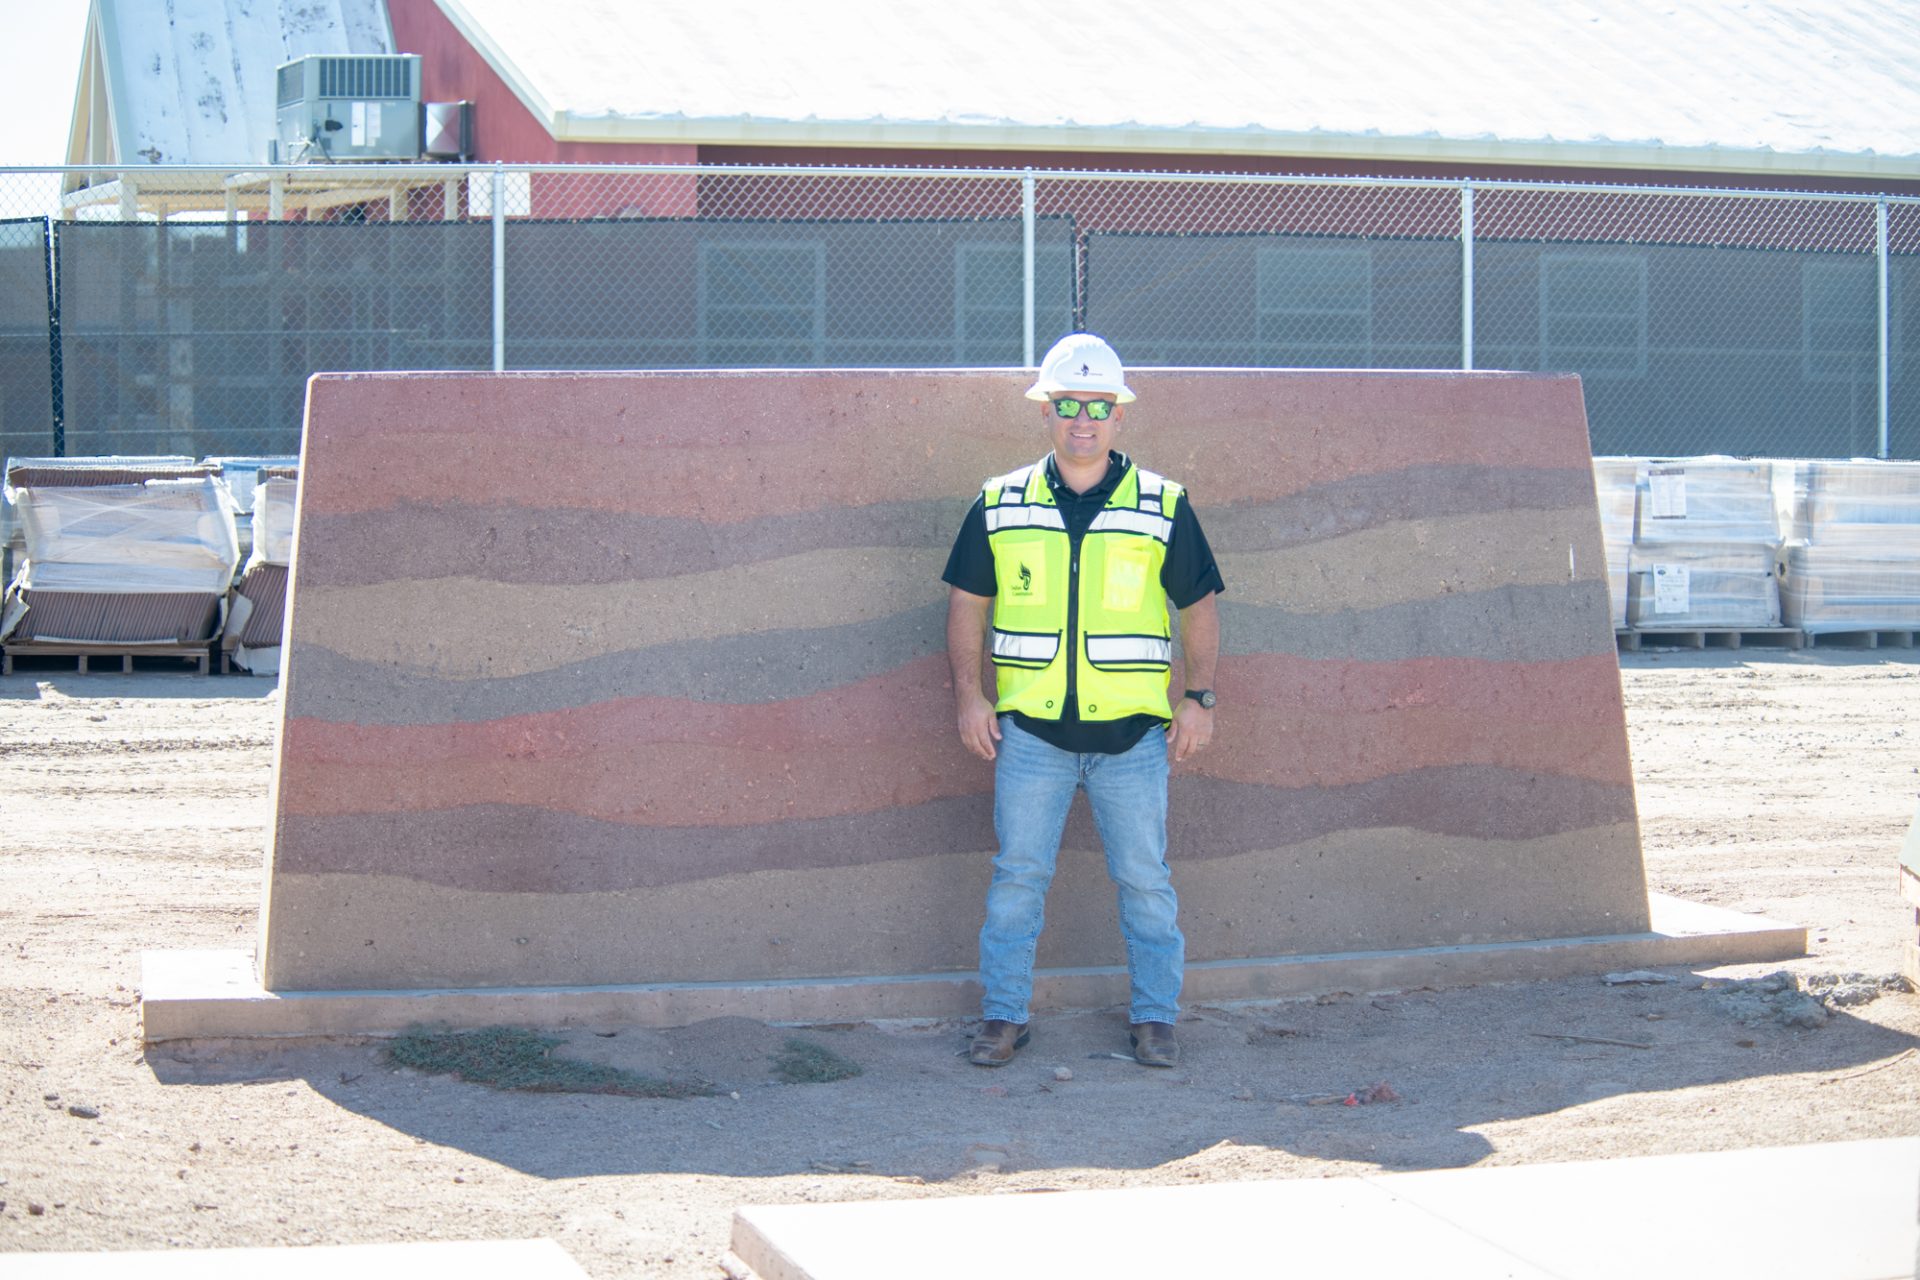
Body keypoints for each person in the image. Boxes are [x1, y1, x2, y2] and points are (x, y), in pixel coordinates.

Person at [942, 333, 1224, 1068]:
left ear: (1119, 416)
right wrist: (971, 699)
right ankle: (1004, 1016)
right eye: (1068, 404)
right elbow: (968, 603)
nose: (1083, 420)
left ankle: (1156, 1019)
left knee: (1145, 882)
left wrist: (1199, 698)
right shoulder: (1000, 502)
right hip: (1030, 734)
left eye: (1098, 405)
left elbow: (1197, 607)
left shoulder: (1163, 504)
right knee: (1017, 880)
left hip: (1133, 740)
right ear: (1047, 411)